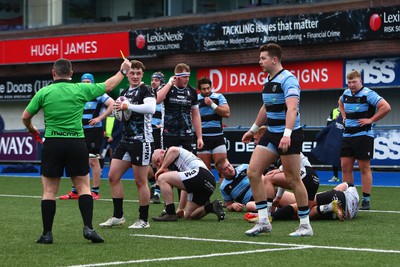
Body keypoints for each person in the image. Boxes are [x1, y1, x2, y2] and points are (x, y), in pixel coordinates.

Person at [21, 57, 131, 244]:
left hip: (53, 143)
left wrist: (31, 128)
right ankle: (88, 228)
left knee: (49, 191)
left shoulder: (44, 92)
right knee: (83, 187)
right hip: (76, 143)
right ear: (71, 74)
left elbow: (25, 116)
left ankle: (47, 234)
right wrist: (123, 71)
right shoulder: (81, 88)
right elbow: (108, 86)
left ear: (53, 73)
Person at [241, 43, 312, 237]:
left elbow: (292, 109)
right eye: (260, 58)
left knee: (293, 178)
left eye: (263, 58)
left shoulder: (288, 79)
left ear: (274, 60)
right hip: (271, 133)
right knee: (253, 172)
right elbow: (265, 108)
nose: (260, 62)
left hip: (289, 134)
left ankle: (305, 225)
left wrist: (287, 134)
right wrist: (253, 130)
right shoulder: (268, 81)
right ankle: (264, 221)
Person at [99, 60, 156, 229]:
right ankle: (118, 216)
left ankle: (143, 220)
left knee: (140, 180)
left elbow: (151, 109)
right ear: (128, 74)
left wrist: (128, 105)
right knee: (113, 176)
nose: (135, 76)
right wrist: (118, 108)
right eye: (132, 73)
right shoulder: (124, 92)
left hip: (142, 139)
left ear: (142, 74)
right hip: (125, 139)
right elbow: (120, 115)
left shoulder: (147, 89)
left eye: (138, 73)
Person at [338, 70, 391, 210]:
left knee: (363, 168)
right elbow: (340, 103)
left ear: (360, 81)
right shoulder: (346, 93)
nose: (351, 85)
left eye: (354, 82)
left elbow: (386, 107)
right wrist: (343, 116)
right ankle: (348, 199)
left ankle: (366, 201)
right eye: (349, 82)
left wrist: (371, 120)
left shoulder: (368, 94)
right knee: (345, 167)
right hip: (347, 135)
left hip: (363, 135)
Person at [156, 63, 204, 213]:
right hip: (169, 135)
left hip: (187, 136)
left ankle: (182, 208)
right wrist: (169, 83)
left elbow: (195, 115)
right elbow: (157, 100)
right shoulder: (168, 88)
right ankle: (168, 205)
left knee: (187, 171)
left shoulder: (192, 92)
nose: (186, 80)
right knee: (168, 170)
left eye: (188, 77)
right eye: (184, 77)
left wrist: (199, 136)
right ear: (177, 77)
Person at [59, 73, 114, 200]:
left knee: (93, 160)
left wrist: (99, 118)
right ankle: (75, 191)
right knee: (76, 159)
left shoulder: (98, 93)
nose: (85, 83)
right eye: (84, 81)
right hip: (78, 131)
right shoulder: (79, 94)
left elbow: (113, 104)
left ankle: (95, 191)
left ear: (92, 83)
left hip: (94, 131)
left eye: (88, 81)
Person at [151, 146, 225, 221]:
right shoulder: (176, 165)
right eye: (157, 165)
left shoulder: (170, 151)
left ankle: (169, 213)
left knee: (162, 178)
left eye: (158, 161)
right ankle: (211, 206)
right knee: (189, 215)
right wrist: (181, 208)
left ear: (162, 152)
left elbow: (173, 150)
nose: (159, 164)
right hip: (209, 183)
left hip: (201, 174)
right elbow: (185, 188)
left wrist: (162, 168)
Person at [196, 77, 230, 183]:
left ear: (211, 87)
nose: (206, 91)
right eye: (203, 89)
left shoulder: (218, 97)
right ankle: (207, 198)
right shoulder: (195, 99)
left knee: (223, 169)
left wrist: (212, 104)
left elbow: (227, 113)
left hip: (217, 137)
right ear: (199, 90)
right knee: (205, 171)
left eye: (208, 88)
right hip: (203, 138)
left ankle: (224, 195)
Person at [271, 182, 359, 222]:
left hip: (339, 199)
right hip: (346, 212)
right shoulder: (353, 192)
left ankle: (269, 216)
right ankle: (326, 207)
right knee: (299, 215)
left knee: (300, 209)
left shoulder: (349, 186)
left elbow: (336, 189)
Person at [148, 71, 166, 204]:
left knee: (158, 161)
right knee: (147, 162)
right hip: (147, 131)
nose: (153, 82)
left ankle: (157, 192)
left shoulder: (164, 93)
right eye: (152, 79)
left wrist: (162, 124)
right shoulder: (147, 92)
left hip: (158, 132)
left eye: (156, 80)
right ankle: (154, 185)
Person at [312, 111, 344, 183]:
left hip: (344, 143)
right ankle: (336, 177)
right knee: (335, 161)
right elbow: (328, 124)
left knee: (343, 162)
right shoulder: (335, 113)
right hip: (336, 143)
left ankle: (344, 179)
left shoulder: (350, 120)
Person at [326, 107, 342, 182]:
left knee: (347, 158)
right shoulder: (334, 111)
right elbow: (328, 124)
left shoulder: (349, 109)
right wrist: (335, 120)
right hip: (336, 138)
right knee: (335, 157)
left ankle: (347, 177)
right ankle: (336, 176)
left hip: (346, 137)